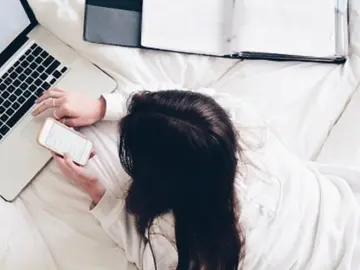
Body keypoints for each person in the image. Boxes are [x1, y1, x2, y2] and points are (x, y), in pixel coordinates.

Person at [32, 86, 360, 270]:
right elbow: (192, 105)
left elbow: (145, 254)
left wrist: (98, 191)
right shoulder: (237, 118)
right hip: (346, 212)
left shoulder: (184, 246)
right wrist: (104, 105)